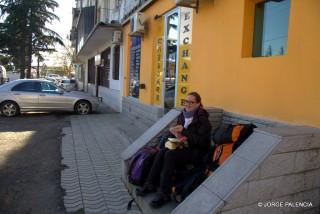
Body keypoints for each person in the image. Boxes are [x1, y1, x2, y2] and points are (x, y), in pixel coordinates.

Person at [136, 92, 212, 208]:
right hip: (184, 147)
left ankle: (164, 193)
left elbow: (200, 142)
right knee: (162, 151)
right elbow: (182, 135)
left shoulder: (203, 119)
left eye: (191, 102)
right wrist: (175, 132)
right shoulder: (183, 115)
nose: (187, 104)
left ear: (198, 104)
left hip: (197, 152)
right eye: (186, 101)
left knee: (170, 155)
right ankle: (150, 184)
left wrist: (183, 131)